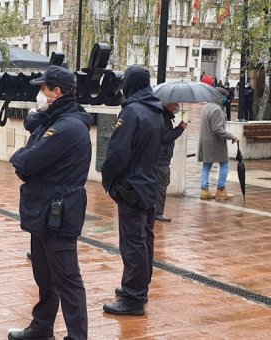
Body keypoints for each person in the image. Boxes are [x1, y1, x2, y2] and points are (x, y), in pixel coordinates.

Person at [8, 65, 92, 340]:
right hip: (43, 208)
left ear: (56, 91)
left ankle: (77, 336)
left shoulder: (67, 127)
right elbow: (31, 159)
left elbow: (29, 161)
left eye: (43, 88)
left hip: (58, 211)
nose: (39, 93)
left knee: (67, 279)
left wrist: (21, 156)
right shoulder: (53, 119)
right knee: (45, 275)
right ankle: (42, 327)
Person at [101, 65, 163, 317]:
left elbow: (117, 154)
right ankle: (138, 288)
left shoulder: (132, 112)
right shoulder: (155, 111)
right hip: (149, 183)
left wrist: (109, 183)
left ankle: (133, 297)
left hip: (132, 186)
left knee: (133, 243)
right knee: (144, 240)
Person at [198, 87, 239, 200]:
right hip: (215, 143)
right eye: (224, 96)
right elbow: (218, 129)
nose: (226, 99)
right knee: (225, 164)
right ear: (220, 97)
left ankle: (204, 190)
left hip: (205, 141)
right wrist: (232, 137)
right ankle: (221, 189)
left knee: (206, 165)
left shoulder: (205, 107)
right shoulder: (217, 110)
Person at [154, 102, 187, 222]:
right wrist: (180, 128)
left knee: (159, 184)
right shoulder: (164, 117)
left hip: (159, 157)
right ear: (168, 104)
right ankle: (158, 213)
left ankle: (154, 210)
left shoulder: (164, 115)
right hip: (161, 158)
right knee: (162, 185)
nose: (177, 106)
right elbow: (166, 136)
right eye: (174, 104)